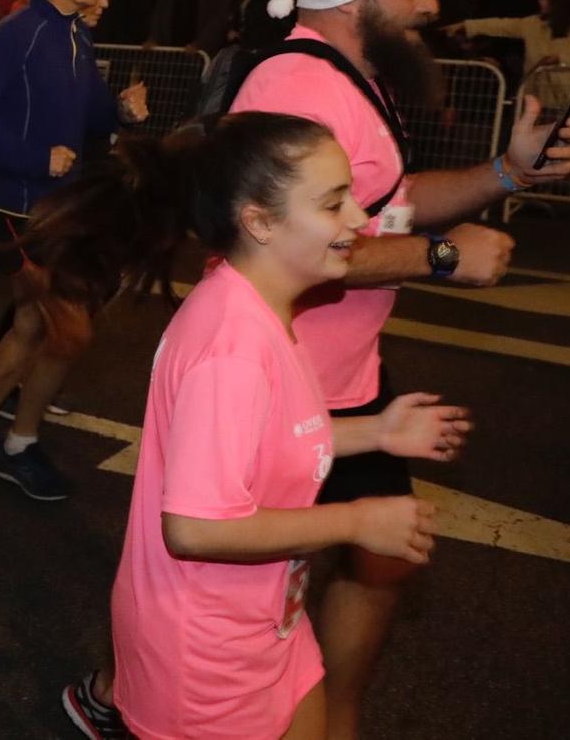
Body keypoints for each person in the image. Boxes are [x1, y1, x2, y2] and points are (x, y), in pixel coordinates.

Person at [227, 0, 570, 740]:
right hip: (280, 382)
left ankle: (336, 715)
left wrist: (506, 171)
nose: (431, 5)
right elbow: (299, 247)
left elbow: (386, 205)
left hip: (347, 375)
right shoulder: (293, 85)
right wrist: (444, 259)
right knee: (247, 587)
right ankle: (133, 695)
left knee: (380, 557)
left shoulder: (352, 77)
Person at [41, 116, 461, 740]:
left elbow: (273, 438)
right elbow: (195, 527)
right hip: (207, 657)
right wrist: (357, 521)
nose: (359, 221)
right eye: (332, 203)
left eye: (350, 195)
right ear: (260, 222)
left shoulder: (257, 306)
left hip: (267, 620)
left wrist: (376, 432)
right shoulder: (232, 347)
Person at [0, 0, 147, 501]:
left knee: (33, 322)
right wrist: (34, 155)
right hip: (9, 202)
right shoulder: (20, 33)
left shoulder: (76, 34)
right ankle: (19, 443)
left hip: (57, 205)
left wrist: (123, 113)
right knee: (70, 329)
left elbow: (92, 115)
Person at [448, 0, 570, 70]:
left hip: (564, 98)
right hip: (534, 94)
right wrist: (467, 26)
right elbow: (501, 25)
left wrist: (561, 59)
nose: (540, 1)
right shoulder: (532, 25)